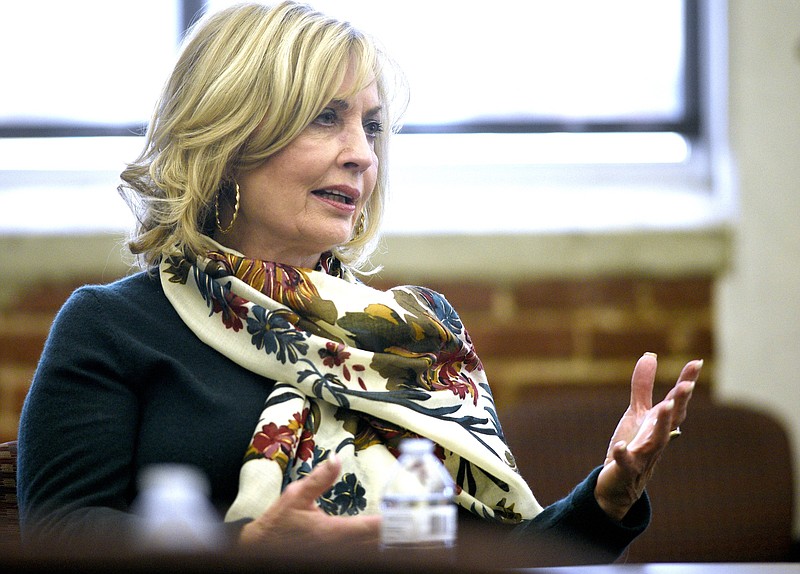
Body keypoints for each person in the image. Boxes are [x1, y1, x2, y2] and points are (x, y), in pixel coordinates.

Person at [16, 1, 701, 565]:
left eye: (371, 126)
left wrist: (607, 499)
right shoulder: (114, 327)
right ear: (227, 139)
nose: (362, 154)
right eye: (327, 118)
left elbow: (492, 559)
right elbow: (60, 541)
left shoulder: (415, 336)